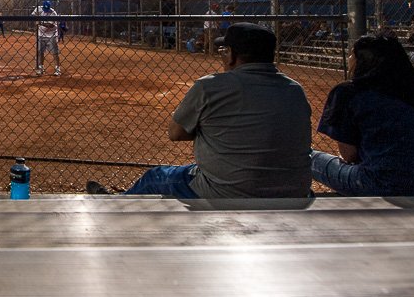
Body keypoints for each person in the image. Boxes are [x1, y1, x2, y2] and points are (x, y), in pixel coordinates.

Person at [87, 23, 312, 198]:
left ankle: (113, 207)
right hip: (294, 192)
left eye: (224, 50)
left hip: (229, 193)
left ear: (232, 55)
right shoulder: (295, 89)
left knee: (155, 177)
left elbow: (176, 133)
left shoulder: (210, 86)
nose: (223, 56)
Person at [311, 34, 414, 197]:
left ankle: (291, 199)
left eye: (353, 54)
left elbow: (349, 155)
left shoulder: (349, 92)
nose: (350, 58)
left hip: (390, 186)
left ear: (362, 61)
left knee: (308, 158)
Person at [31, 0, 61, 76]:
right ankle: (41, 68)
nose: (46, 11)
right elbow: (32, 16)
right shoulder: (38, 9)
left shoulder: (53, 13)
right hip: (41, 34)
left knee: (55, 53)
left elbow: (51, 25)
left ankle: (57, 69)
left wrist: (40, 22)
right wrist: (36, 17)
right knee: (40, 52)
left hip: (51, 35)